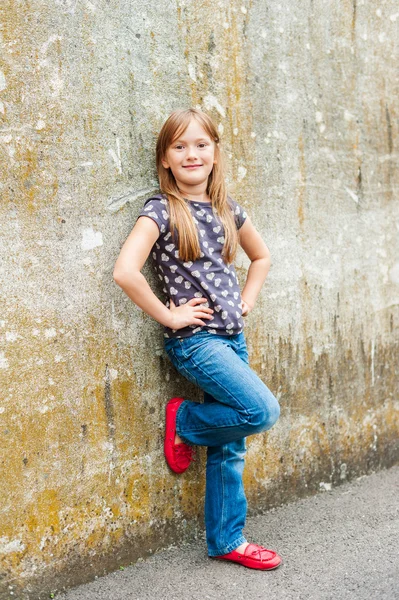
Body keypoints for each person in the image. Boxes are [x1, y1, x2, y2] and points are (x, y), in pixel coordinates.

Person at [113, 107, 282, 570]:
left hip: (233, 339)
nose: (192, 154)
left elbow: (261, 257)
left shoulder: (229, 210)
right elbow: (125, 272)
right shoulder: (162, 211)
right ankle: (185, 420)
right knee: (260, 411)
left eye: (201, 145)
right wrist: (169, 315)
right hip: (196, 343)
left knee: (231, 445)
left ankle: (227, 540)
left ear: (215, 152)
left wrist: (246, 299)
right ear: (165, 159)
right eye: (179, 146)